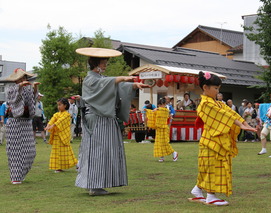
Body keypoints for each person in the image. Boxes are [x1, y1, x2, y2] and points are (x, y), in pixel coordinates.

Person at [74, 48, 149, 196]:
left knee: (105, 151)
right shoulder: (91, 79)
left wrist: (134, 85)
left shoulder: (101, 79)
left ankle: (98, 184)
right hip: (97, 119)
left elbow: (115, 85)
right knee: (98, 151)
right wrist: (121, 78)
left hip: (105, 119)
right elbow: (110, 83)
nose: (105, 65)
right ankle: (94, 185)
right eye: (103, 62)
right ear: (96, 64)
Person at [188, 71, 256, 206]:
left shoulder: (216, 102)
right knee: (213, 167)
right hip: (212, 141)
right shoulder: (206, 104)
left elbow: (231, 113)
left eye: (218, 88)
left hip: (213, 141)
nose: (218, 91)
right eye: (215, 88)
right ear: (205, 88)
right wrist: (241, 125)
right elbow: (224, 116)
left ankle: (197, 190)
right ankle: (211, 196)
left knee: (206, 167)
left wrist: (245, 124)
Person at [5, 68, 40, 184]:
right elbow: (12, 100)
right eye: (21, 78)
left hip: (26, 122)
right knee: (15, 150)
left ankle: (21, 173)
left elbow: (33, 101)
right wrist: (19, 87)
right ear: (16, 79)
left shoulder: (28, 88)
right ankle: (15, 176)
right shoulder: (10, 89)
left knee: (30, 150)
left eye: (24, 77)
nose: (23, 80)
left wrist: (35, 89)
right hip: (14, 122)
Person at [45, 98, 78, 173]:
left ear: (65, 105)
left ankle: (77, 164)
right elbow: (52, 120)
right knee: (57, 152)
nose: (58, 106)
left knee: (67, 152)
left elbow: (60, 121)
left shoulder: (67, 115)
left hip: (63, 137)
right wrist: (48, 125)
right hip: (57, 137)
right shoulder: (57, 114)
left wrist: (52, 126)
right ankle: (58, 167)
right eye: (58, 105)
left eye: (60, 105)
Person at [146, 98, 178, 162]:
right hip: (159, 128)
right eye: (159, 105)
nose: (160, 106)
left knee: (165, 143)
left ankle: (174, 153)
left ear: (164, 104)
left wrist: (151, 110)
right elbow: (153, 113)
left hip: (164, 128)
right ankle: (162, 157)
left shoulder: (165, 110)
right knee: (159, 143)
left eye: (161, 105)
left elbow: (161, 111)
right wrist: (149, 111)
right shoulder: (161, 110)